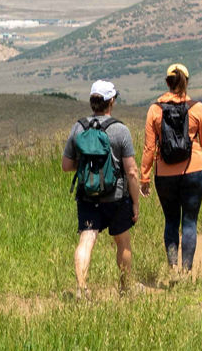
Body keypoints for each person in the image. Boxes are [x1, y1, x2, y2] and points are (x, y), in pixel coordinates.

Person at [137, 63, 202, 274]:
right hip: (193, 170)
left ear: (167, 82)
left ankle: (173, 267)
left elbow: (149, 148)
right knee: (190, 222)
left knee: (171, 220)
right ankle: (186, 271)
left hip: (164, 174)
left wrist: (144, 177)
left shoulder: (155, 110)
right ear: (187, 82)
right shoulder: (197, 108)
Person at [62, 80, 139, 295]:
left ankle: (81, 288)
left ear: (91, 102)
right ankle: (125, 288)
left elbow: (66, 166)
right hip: (116, 197)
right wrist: (135, 204)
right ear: (111, 101)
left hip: (87, 196)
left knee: (86, 240)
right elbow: (131, 171)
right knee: (122, 241)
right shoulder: (120, 130)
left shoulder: (78, 128)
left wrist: (88, 167)